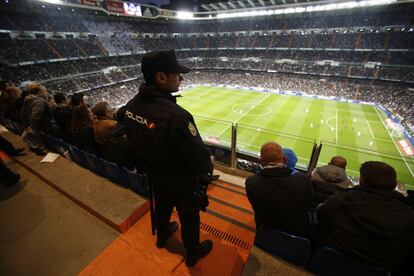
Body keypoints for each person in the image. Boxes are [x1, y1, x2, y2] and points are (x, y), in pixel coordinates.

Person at [125, 50, 213, 267]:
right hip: (181, 181)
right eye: (176, 74)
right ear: (161, 77)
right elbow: (201, 158)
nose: (181, 78)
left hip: (154, 175)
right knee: (189, 216)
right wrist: (205, 172)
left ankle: (162, 236)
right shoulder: (177, 117)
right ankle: (192, 252)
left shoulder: (131, 107)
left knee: (162, 206)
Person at [315, 161, 414, 272]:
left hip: (328, 264)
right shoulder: (408, 215)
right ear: (395, 184)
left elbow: (320, 215)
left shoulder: (341, 198)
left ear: (361, 181)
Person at [245, 142, 313, 237]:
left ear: (260, 161)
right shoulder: (303, 180)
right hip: (297, 233)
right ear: (285, 159)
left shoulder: (251, 182)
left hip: (264, 231)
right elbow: (308, 205)